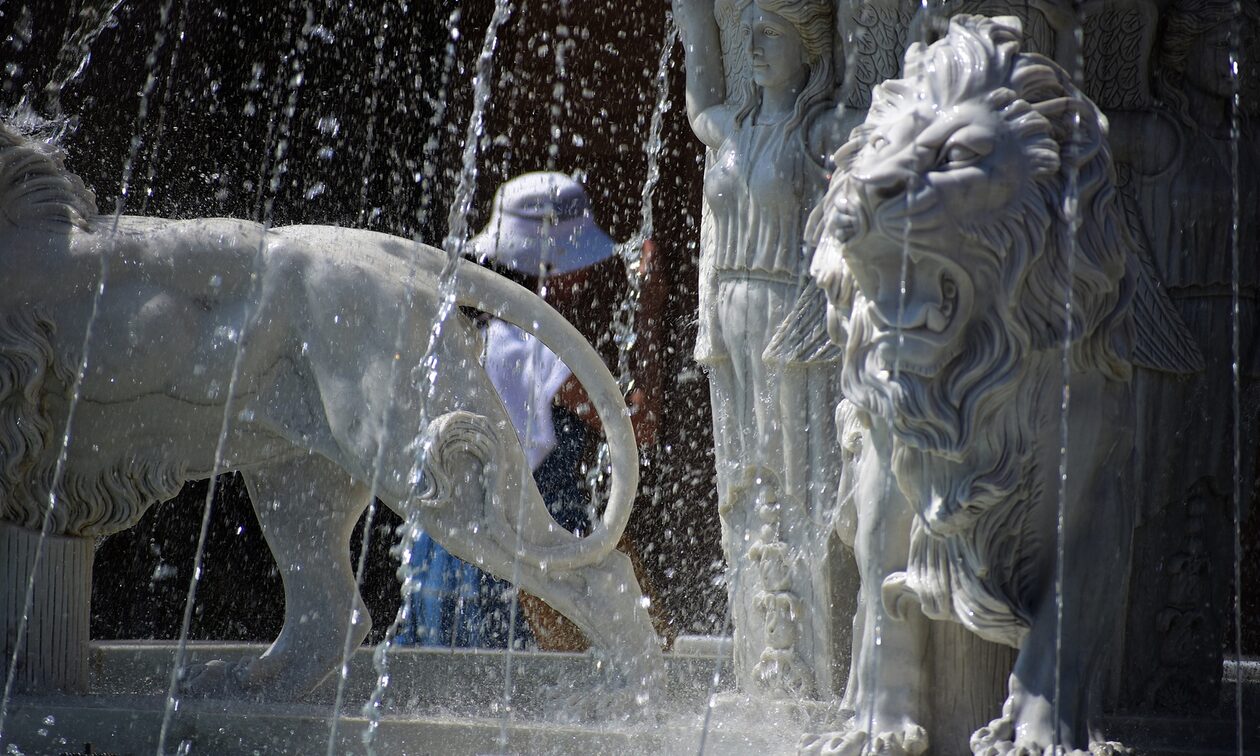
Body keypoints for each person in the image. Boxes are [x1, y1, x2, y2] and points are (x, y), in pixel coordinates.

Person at [401, 172, 660, 650]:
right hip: (516, 563)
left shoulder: (462, 333)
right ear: (552, 263)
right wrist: (647, 303)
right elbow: (637, 425)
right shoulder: (537, 345)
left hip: (442, 547)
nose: (586, 274)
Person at [673, 0, 848, 696]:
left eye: (771, 34)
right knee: (744, 477)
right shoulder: (731, 130)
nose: (755, 44)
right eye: (752, 33)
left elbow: (877, 122)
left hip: (789, 313)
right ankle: (762, 661)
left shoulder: (821, 134)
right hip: (733, 310)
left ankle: (812, 663)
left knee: (799, 476)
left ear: (808, 51)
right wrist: (692, 20)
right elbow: (699, 96)